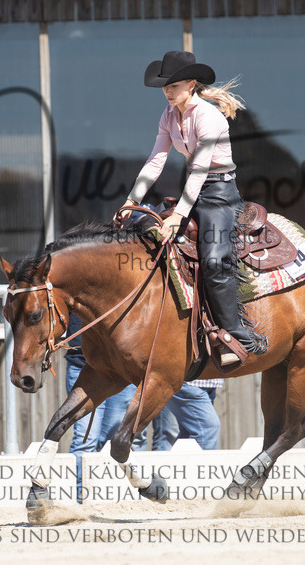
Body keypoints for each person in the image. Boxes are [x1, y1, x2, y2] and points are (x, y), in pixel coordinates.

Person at [117, 50, 265, 367]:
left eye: (174, 85)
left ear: (192, 84)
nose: (168, 92)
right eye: (165, 86)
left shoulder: (209, 117)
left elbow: (199, 170)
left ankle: (237, 335)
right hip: (193, 191)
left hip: (219, 192)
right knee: (147, 236)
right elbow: (156, 160)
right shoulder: (168, 116)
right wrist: (133, 199)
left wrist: (178, 217)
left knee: (214, 259)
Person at [65, 314, 135, 501]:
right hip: (83, 364)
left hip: (120, 368)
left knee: (115, 435)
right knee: (85, 438)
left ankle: (103, 492)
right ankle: (81, 496)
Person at [133, 378, 223, 451]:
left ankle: (175, 472)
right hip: (187, 380)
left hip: (205, 381)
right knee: (207, 428)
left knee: (187, 436)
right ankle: (199, 472)